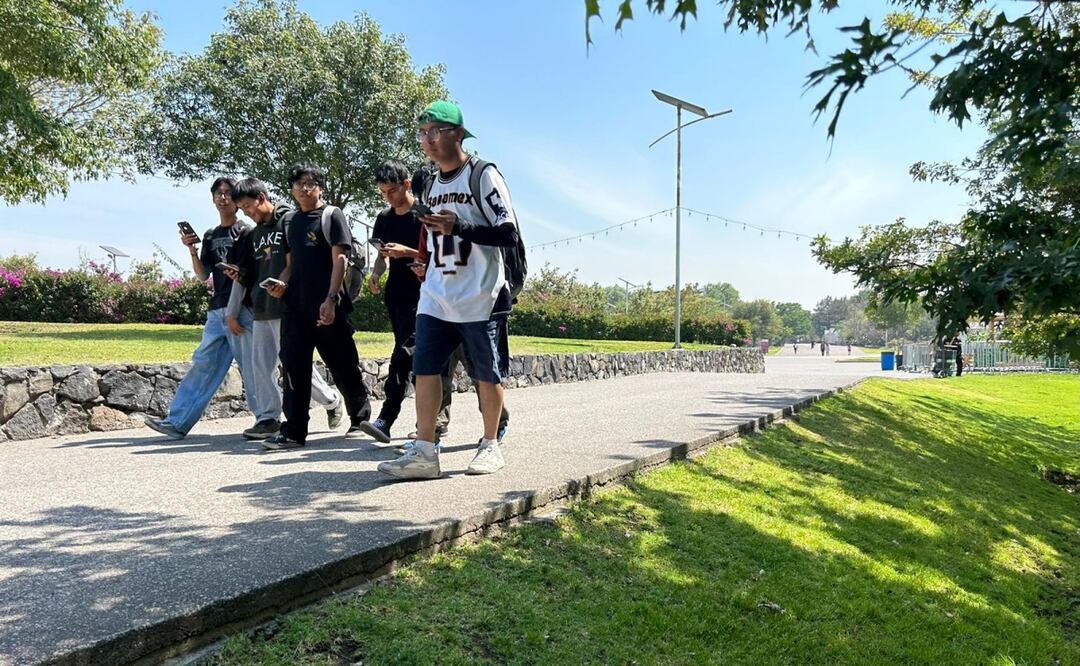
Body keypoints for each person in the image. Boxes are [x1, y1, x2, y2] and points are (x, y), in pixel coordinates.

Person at [378, 101, 518, 479]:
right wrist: (425, 259)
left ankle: (490, 444)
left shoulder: (482, 174)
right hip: (436, 293)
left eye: (436, 131)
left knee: (486, 374)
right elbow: (431, 232)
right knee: (424, 369)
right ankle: (425, 450)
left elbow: (508, 232)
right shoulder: (429, 181)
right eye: (423, 133)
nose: (429, 139)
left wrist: (460, 228)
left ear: (458, 134)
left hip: (481, 294)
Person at [262, 162, 372, 450]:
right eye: (297, 184)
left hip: (327, 305)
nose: (302, 188)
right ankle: (294, 431)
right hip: (295, 307)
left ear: (320, 187)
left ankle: (360, 418)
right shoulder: (290, 222)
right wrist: (281, 284)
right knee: (294, 368)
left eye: (309, 183)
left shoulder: (331, 215)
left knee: (343, 364)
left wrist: (331, 298)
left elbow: (340, 260)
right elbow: (289, 265)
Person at [225, 177, 344, 440]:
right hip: (262, 306)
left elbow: (302, 261)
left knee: (293, 365)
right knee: (260, 365)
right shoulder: (253, 233)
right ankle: (268, 418)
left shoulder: (290, 221)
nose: (248, 213)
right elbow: (250, 272)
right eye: (243, 210)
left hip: (289, 307)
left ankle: (331, 400)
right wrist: (238, 282)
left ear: (261, 197)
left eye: (249, 206)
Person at [145, 178, 262, 439]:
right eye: (218, 194)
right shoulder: (210, 235)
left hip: (242, 309)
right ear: (212, 199)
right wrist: (193, 251)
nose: (223, 198)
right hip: (216, 310)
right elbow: (202, 275)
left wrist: (236, 311)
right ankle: (177, 421)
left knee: (253, 368)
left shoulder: (248, 231)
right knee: (203, 365)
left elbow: (250, 274)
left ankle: (266, 420)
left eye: (228, 194)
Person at [355, 161, 423, 443]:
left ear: (407, 184)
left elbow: (438, 254)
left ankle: (386, 419)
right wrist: (375, 275)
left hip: (427, 295)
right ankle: (428, 426)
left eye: (392, 191)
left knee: (404, 355)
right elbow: (383, 256)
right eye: (383, 192)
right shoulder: (383, 218)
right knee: (414, 359)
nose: (388, 197)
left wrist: (407, 251)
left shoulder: (424, 215)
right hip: (396, 294)